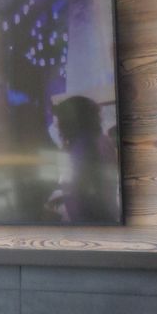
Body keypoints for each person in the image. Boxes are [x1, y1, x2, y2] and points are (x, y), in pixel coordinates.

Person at [48, 94, 119, 223]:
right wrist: (66, 198)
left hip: (92, 222)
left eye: (61, 120)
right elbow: (87, 187)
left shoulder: (85, 146)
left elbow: (93, 194)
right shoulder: (99, 140)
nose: (58, 126)